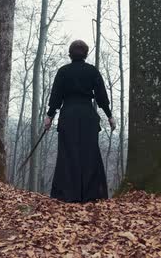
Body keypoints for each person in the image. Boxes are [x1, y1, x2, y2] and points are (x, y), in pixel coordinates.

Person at [44, 40, 116, 203]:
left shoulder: (63, 72)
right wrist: (109, 116)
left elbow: (56, 97)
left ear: (70, 54)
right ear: (86, 54)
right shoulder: (92, 71)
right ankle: (90, 195)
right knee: (89, 155)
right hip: (87, 116)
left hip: (68, 115)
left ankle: (67, 194)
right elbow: (101, 97)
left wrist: (49, 116)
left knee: (68, 154)